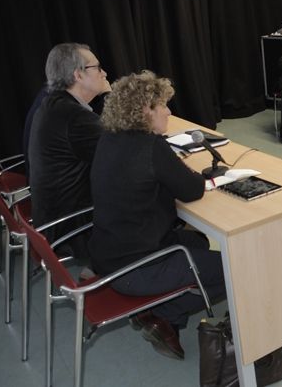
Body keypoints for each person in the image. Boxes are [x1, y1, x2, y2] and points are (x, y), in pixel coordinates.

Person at [88, 71, 227, 360]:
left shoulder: (109, 139)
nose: (169, 111)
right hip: (136, 269)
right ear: (144, 110)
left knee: (198, 243)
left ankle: (163, 315)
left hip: (108, 256)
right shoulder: (151, 147)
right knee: (235, 267)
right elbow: (192, 190)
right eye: (163, 105)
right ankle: (163, 313)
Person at [28, 42, 111, 252]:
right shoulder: (73, 117)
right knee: (157, 208)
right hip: (73, 229)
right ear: (78, 75)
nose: (104, 73)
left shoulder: (54, 104)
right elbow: (124, 157)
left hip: (52, 220)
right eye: (97, 67)